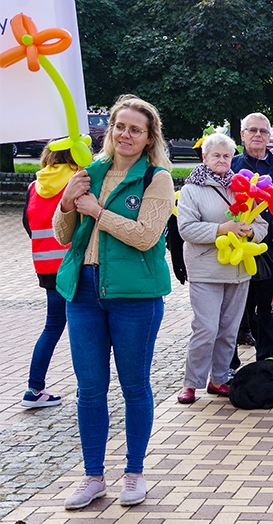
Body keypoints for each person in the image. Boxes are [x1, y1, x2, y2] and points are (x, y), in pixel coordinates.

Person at [53, 94, 175, 509]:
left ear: (147, 137)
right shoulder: (91, 171)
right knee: (89, 389)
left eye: (134, 129)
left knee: (135, 386)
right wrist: (68, 201)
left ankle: (134, 473)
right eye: (119, 126)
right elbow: (62, 235)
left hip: (134, 297)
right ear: (110, 131)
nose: (125, 134)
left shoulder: (156, 178)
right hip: (83, 292)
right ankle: (92, 476)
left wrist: (96, 210)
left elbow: (146, 236)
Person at [176, 134, 268, 405]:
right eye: (215, 155)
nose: (221, 160)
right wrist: (221, 229)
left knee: (229, 329)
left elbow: (262, 225)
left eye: (226, 156)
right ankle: (191, 383)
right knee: (205, 327)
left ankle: (218, 378)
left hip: (239, 269)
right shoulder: (192, 189)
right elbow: (186, 229)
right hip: (206, 267)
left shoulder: (242, 187)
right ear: (204, 157)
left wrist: (251, 232)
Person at [230, 113, 273, 363]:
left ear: (270, 136)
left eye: (263, 131)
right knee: (235, 312)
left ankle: (267, 359)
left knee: (268, 311)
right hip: (236, 252)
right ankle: (229, 365)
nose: (258, 135)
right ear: (243, 135)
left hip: (272, 251)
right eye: (252, 130)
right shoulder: (232, 167)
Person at [21, 146, 78, 409]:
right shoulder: (77, 180)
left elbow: (27, 223)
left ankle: (34, 388)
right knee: (84, 329)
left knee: (52, 327)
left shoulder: (35, 185)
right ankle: (86, 388)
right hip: (73, 264)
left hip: (45, 266)